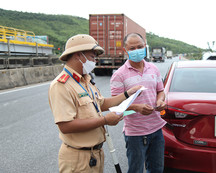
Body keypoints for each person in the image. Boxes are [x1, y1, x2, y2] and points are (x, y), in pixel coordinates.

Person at [48, 34, 141, 173]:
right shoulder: (62, 85)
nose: (95, 61)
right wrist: (104, 120)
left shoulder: (85, 80)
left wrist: (128, 93)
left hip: (94, 154)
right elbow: (65, 126)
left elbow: (101, 104)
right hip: (78, 158)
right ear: (79, 55)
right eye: (92, 56)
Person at [110, 33, 167, 173]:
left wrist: (160, 101)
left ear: (145, 47)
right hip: (135, 133)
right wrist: (136, 108)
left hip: (157, 129)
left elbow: (161, 91)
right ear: (125, 50)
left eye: (140, 47)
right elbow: (116, 107)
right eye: (132, 48)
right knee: (135, 170)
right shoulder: (119, 75)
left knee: (157, 169)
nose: (137, 50)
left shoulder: (153, 68)